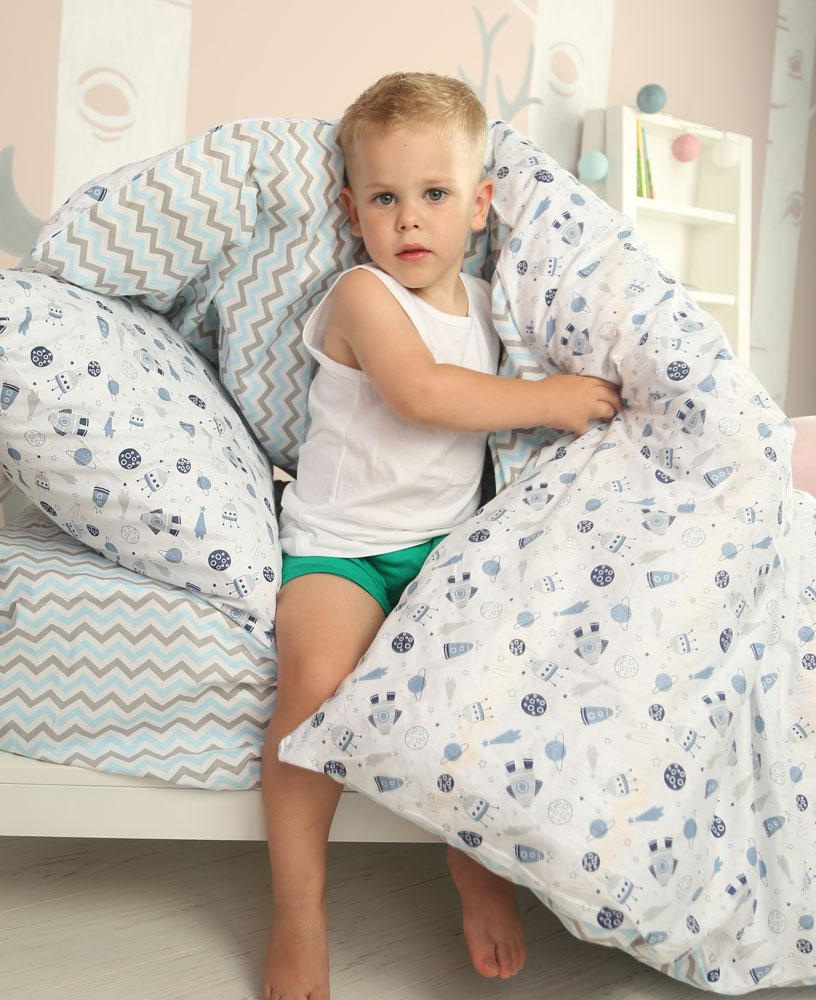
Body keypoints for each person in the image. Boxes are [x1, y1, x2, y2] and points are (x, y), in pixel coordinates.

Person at [261, 71, 621, 1000]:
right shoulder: (363, 295)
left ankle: (478, 871)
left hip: (443, 554)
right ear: (353, 212)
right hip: (339, 547)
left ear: (480, 206)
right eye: (385, 198)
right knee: (314, 686)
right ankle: (299, 909)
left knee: (479, 693)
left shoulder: (495, 309)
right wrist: (549, 402)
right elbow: (422, 395)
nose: (410, 220)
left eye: (434, 194)